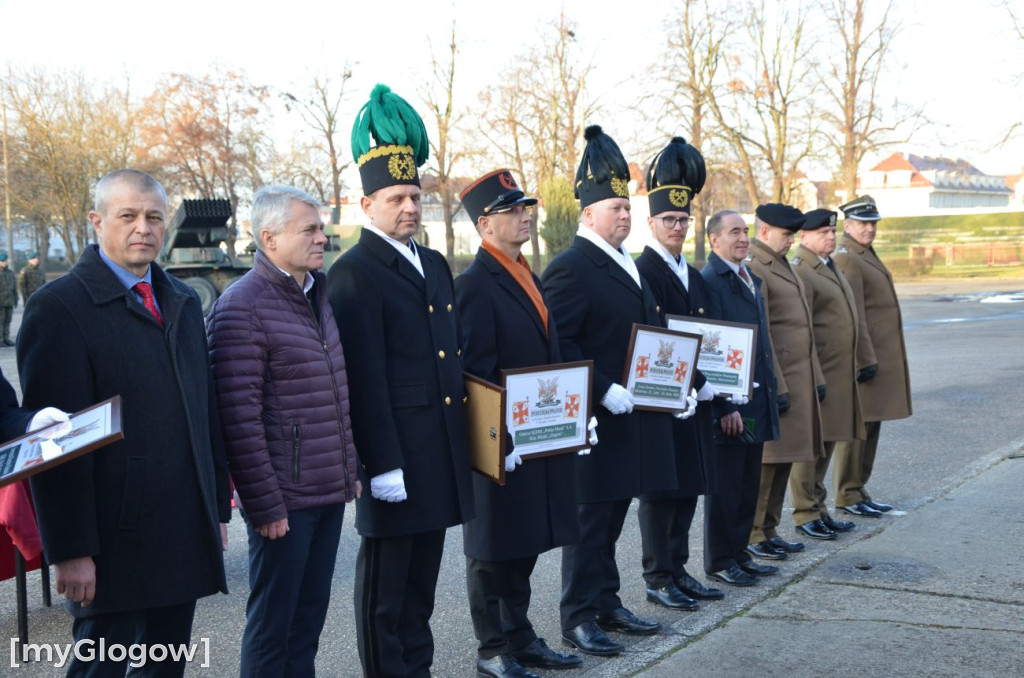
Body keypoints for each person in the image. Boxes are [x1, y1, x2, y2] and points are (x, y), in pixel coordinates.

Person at [18, 169, 231, 677]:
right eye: (128, 216)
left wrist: (216, 505)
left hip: (180, 525)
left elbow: (205, 413)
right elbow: (55, 443)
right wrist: (70, 550)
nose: (144, 227)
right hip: (112, 538)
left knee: (165, 665)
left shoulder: (179, 297)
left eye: (154, 217)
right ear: (97, 221)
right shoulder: (59, 308)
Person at [327, 84, 475, 678]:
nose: (409, 208)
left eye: (414, 196)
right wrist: (379, 462)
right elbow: (363, 379)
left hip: (437, 452)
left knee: (421, 588)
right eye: (395, 198)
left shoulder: (434, 263)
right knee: (384, 593)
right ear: (367, 206)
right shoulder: (354, 274)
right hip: (397, 461)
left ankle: (419, 669)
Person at [207, 185, 361, 676]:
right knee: (274, 625)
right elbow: (238, 417)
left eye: (321, 228)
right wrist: (264, 504)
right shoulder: (241, 306)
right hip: (285, 501)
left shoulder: (317, 292)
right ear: (269, 238)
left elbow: (335, 391)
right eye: (310, 229)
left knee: (307, 622)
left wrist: (349, 466)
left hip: (326, 490)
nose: (322, 237)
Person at [542, 125, 683, 658]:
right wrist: (602, 390)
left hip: (632, 416)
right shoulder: (571, 267)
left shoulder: (624, 260)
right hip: (598, 420)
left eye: (627, 207)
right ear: (587, 215)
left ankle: (606, 602)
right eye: (613, 208)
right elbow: (561, 340)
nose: (623, 215)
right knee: (589, 522)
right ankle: (578, 616)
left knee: (612, 516)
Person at [456, 169, 582, 678]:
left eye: (526, 207)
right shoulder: (474, 284)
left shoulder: (527, 271)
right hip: (500, 437)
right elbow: (475, 371)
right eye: (512, 209)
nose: (525, 215)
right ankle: (492, 648)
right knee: (492, 546)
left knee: (525, 538)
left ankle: (520, 635)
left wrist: (574, 414)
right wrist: (498, 435)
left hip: (537, 430)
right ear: (485, 224)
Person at [634, 137, 724, 610]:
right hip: (661, 396)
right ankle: (657, 575)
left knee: (689, 484)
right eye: (668, 220)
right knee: (662, 491)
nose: (677, 227)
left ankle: (679, 567)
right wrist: (691, 382)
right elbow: (656, 336)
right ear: (651, 222)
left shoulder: (691, 271)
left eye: (683, 220)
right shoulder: (643, 269)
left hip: (696, 400)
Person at [700, 210, 780, 587]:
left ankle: (739, 551)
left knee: (748, 481)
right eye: (734, 232)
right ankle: (720, 558)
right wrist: (723, 406)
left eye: (745, 231)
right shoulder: (710, 281)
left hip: (756, 398)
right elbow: (710, 349)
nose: (743, 238)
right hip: (730, 403)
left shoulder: (750, 278)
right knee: (726, 485)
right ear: (714, 240)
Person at [744, 203, 824, 557]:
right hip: (780, 379)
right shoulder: (756, 267)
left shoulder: (782, 266)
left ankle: (771, 528)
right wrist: (777, 384)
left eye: (793, 235)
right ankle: (755, 532)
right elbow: (762, 333)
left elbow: (804, 327)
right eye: (786, 234)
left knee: (788, 455)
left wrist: (816, 376)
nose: (791, 240)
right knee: (770, 461)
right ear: (764, 232)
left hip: (799, 375)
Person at [832, 195, 911, 516]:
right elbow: (853, 314)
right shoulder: (848, 258)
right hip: (865, 358)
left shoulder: (863, 253)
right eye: (863, 223)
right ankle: (847, 492)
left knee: (872, 423)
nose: (869, 229)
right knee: (859, 426)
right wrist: (861, 359)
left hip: (878, 355)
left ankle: (858, 489)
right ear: (848, 225)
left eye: (873, 223)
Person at [790, 208, 865, 540]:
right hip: (819, 370)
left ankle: (819, 508)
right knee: (810, 447)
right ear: (803, 236)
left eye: (833, 232)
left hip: (838, 371)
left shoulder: (828, 265)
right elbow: (801, 328)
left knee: (829, 439)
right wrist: (814, 374)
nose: (831, 237)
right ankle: (805, 511)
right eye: (823, 233)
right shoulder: (803, 270)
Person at [0, 252, 16, 346]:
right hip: (1, 301)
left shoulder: (10, 273)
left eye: (5, 261)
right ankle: (0, 339)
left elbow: (14, 287)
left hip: (9, 301)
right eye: (2, 261)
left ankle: (6, 338)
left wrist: (16, 298)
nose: (4, 262)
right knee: (0, 321)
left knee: (7, 320)